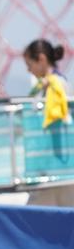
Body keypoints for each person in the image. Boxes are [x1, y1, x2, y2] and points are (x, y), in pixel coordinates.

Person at [22, 39, 74, 206]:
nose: (28, 69)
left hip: (57, 168)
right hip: (55, 167)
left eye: (30, 64)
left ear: (42, 59)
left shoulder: (56, 86)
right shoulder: (51, 84)